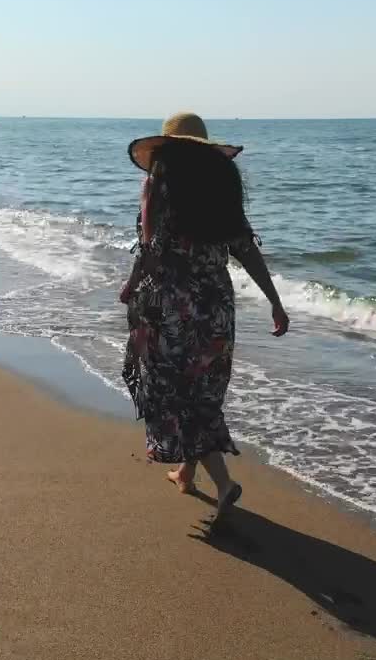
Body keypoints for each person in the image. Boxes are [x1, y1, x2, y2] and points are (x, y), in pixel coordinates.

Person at [120, 112, 289, 525]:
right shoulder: (222, 189)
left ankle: (224, 483)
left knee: (178, 395)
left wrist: (130, 286)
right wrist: (275, 300)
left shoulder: (158, 185)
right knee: (203, 393)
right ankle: (185, 473)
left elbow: (151, 248)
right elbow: (245, 249)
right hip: (216, 305)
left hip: (173, 305)